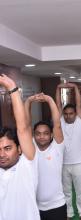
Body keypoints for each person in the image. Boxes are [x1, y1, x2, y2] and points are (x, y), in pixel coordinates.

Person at [0, 74, 40, 220]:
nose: (2, 154)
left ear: (19, 149)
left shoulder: (27, 165)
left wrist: (12, 88)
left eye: (7, 148)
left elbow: (22, 127)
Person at [25, 93, 66, 220]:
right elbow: (25, 125)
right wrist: (29, 101)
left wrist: (49, 99)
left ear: (51, 135)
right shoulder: (32, 148)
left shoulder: (57, 148)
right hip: (36, 207)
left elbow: (57, 123)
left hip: (57, 206)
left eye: (45, 133)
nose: (41, 136)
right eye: (38, 134)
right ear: (34, 135)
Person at [56, 83, 81, 220]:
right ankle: (69, 213)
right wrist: (58, 88)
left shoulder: (80, 121)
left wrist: (74, 87)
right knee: (66, 191)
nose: (68, 116)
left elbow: (79, 104)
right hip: (63, 164)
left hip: (79, 163)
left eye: (71, 114)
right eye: (66, 114)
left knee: (80, 190)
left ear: (76, 114)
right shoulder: (61, 122)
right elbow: (57, 105)